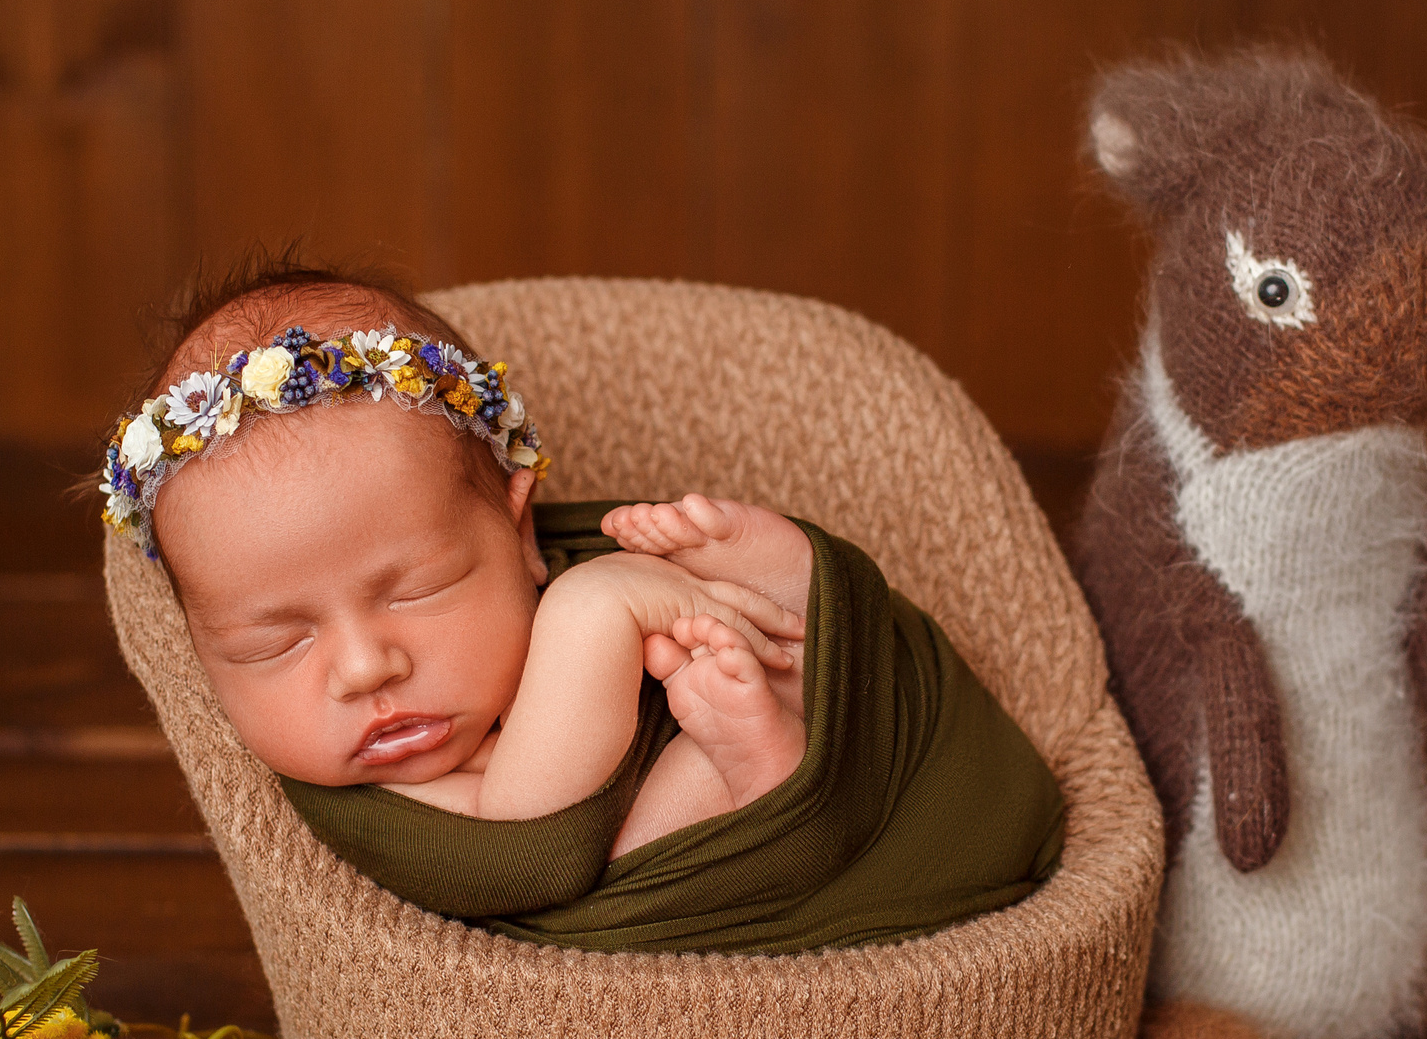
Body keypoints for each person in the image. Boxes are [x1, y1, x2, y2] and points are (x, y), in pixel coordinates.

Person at [102, 259, 1065, 955]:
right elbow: (529, 845)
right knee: (628, 830)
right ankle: (757, 783)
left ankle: (799, 602)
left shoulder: (560, 555)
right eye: (271, 642)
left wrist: (702, 584)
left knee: (754, 614)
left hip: (884, 761)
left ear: (521, 532)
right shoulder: (354, 790)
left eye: (419, 588)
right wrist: (592, 616)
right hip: (707, 867)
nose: (363, 668)